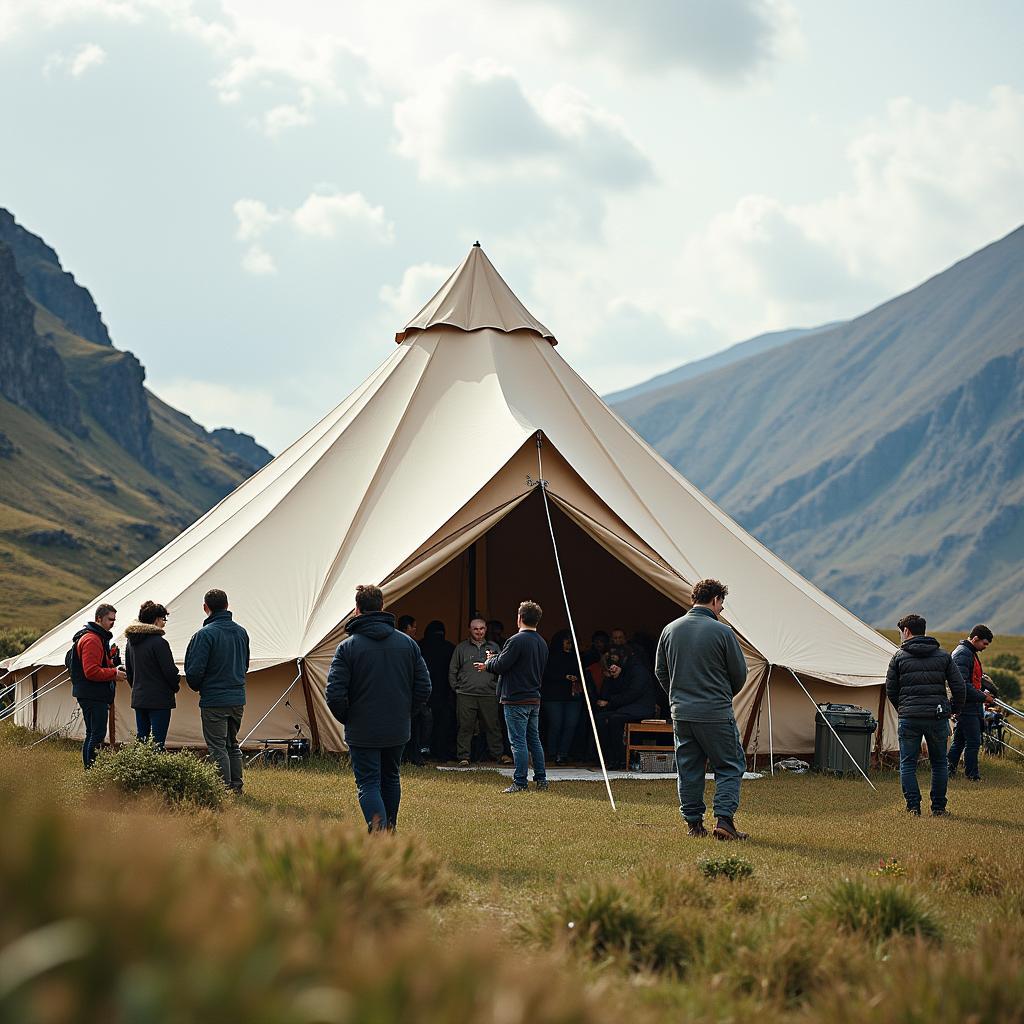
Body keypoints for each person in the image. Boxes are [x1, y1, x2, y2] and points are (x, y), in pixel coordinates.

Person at [326, 585, 431, 832]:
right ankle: (389, 828)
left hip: (363, 727)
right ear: (382, 607)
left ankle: (380, 832)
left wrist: (348, 717)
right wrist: (407, 712)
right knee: (390, 777)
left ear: (357, 609)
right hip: (397, 725)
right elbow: (424, 686)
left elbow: (334, 693)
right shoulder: (408, 644)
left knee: (369, 782)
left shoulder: (348, 647)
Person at [655, 578, 749, 840]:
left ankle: (694, 825)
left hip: (682, 713)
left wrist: (677, 698)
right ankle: (725, 821)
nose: (722, 610)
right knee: (729, 765)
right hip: (715, 712)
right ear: (716, 600)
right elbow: (739, 674)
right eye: (722, 605)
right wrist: (722, 695)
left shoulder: (670, 630)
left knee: (689, 768)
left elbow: (661, 671)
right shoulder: (723, 632)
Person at [886, 613, 965, 816]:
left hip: (909, 718)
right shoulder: (943, 656)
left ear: (906, 631)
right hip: (937, 716)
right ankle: (939, 808)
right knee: (939, 764)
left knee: (908, 763)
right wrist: (953, 709)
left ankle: (913, 807)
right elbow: (959, 686)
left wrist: (903, 708)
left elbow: (891, 690)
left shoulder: (898, 657)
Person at [478, 600, 548, 793]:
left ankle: (520, 782)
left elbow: (502, 665)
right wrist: (495, 661)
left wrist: (489, 663)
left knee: (518, 742)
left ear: (519, 618)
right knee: (534, 740)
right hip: (534, 697)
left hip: (516, 698)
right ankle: (541, 779)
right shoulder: (541, 642)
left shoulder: (516, 640)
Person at [185, 589, 250, 793]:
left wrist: (198, 686)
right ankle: (236, 786)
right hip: (237, 698)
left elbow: (194, 672)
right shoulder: (241, 632)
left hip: (214, 699)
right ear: (227, 605)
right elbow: (245, 665)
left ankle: (224, 788)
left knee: (217, 746)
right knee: (232, 744)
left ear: (206, 607)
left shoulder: (204, 635)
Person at [69, 602, 127, 768]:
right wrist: (114, 674)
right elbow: (91, 671)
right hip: (93, 695)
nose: (113, 623)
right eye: (110, 619)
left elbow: (98, 665)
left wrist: (113, 666)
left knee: (92, 733)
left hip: (90, 693)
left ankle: (90, 771)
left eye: (114, 620)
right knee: (97, 735)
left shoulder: (95, 637)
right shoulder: (92, 639)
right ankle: (92, 771)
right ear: (98, 618)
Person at [449, 618, 507, 766]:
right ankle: (464, 757)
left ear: (486, 629)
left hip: (489, 694)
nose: (479, 632)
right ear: (470, 629)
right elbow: (452, 670)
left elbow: (502, 668)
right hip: (466, 694)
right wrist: (457, 688)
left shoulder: (494, 647)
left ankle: (498, 755)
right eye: (476, 629)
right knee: (465, 727)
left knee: (493, 726)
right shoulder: (461, 648)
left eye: (482, 628)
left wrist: (497, 687)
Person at [594, 643, 659, 769]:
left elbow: (632, 693)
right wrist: (614, 677)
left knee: (613, 720)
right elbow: (617, 691)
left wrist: (610, 702)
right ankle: (609, 757)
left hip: (641, 708)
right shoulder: (627, 668)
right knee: (601, 718)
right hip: (629, 707)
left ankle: (620, 758)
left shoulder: (638, 670)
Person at [124, 600, 180, 748]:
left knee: (142, 740)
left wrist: (137, 688)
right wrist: (175, 686)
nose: (164, 623)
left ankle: (140, 770)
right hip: (159, 700)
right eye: (163, 619)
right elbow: (169, 671)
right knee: (157, 742)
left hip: (139, 697)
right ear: (156, 619)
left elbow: (129, 672)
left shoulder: (130, 642)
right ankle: (156, 771)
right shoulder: (159, 643)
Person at [948, 624, 994, 782]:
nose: (985, 647)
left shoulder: (968, 652)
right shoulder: (963, 654)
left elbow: (970, 681)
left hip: (969, 703)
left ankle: (949, 769)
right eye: (984, 643)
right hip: (967, 705)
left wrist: (983, 691)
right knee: (974, 741)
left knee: (960, 740)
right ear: (975, 639)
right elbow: (962, 685)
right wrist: (983, 697)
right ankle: (972, 775)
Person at [542, 629, 584, 765]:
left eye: (571, 642)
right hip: (554, 696)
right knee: (556, 724)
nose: (570, 645)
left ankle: (563, 754)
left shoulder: (577, 656)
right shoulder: (549, 656)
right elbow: (546, 674)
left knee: (571, 725)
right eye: (567, 642)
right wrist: (564, 677)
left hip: (573, 695)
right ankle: (553, 753)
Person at [420, 620, 456, 760]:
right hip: (444, 692)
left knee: (423, 723)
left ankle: (422, 750)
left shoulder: (420, 646)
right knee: (443, 724)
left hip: (424, 692)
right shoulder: (450, 648)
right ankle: (441, 751)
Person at [397, 615, 426, 765]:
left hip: (403, 692)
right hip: (408, 692)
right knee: (413, 727)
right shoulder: (409, 645)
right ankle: (411, 756)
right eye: (413, 626)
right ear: (406, 627)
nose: (415, 629)